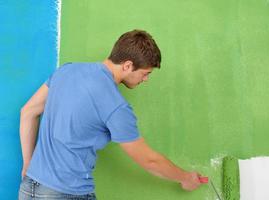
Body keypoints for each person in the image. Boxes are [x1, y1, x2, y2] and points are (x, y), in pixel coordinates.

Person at [18, 30, 204, 200]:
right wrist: (186, 178)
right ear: (128, 65)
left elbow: (28, 112)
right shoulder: (115, 106)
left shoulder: (67, 71)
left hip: (30, 188)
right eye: (145, 73)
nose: (146, 80)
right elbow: (149, 160)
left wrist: (28, 164)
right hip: (66, 193)